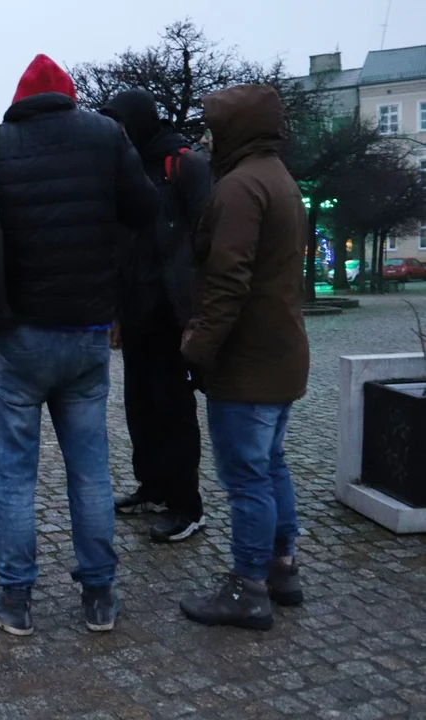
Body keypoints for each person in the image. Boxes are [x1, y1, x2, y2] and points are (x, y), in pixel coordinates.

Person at [0, 55, 159, 636]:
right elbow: (146, 209)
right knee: (92, 471)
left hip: (17, 333)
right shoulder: (104, 134)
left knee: (16, 473)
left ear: (20, 99)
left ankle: (16, 601)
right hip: (87, 332)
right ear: (70, 96)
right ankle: (99, 596)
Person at [178, 85, 310, 631]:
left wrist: (196, 349)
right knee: (271, 465)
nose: (208, 138)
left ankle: (248, 588)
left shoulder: (239, 187)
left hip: (248, 359)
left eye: (215, 127)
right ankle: (282, 569)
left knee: (247, 476)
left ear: (237, 129)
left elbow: (227, 281)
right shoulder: (279, 179)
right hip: (281, 351)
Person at [99, 89, 213, 543]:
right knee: (140, 406)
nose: (117, 130)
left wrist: (195, 311)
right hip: (137, 306)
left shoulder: (183, 163)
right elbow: (120, 241)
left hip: (172, 310)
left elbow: (205, 240)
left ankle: (187, 504)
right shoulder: (124, 165)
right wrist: (117, 311)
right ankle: (152, 487)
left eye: (121, 122)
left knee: (174, 409)